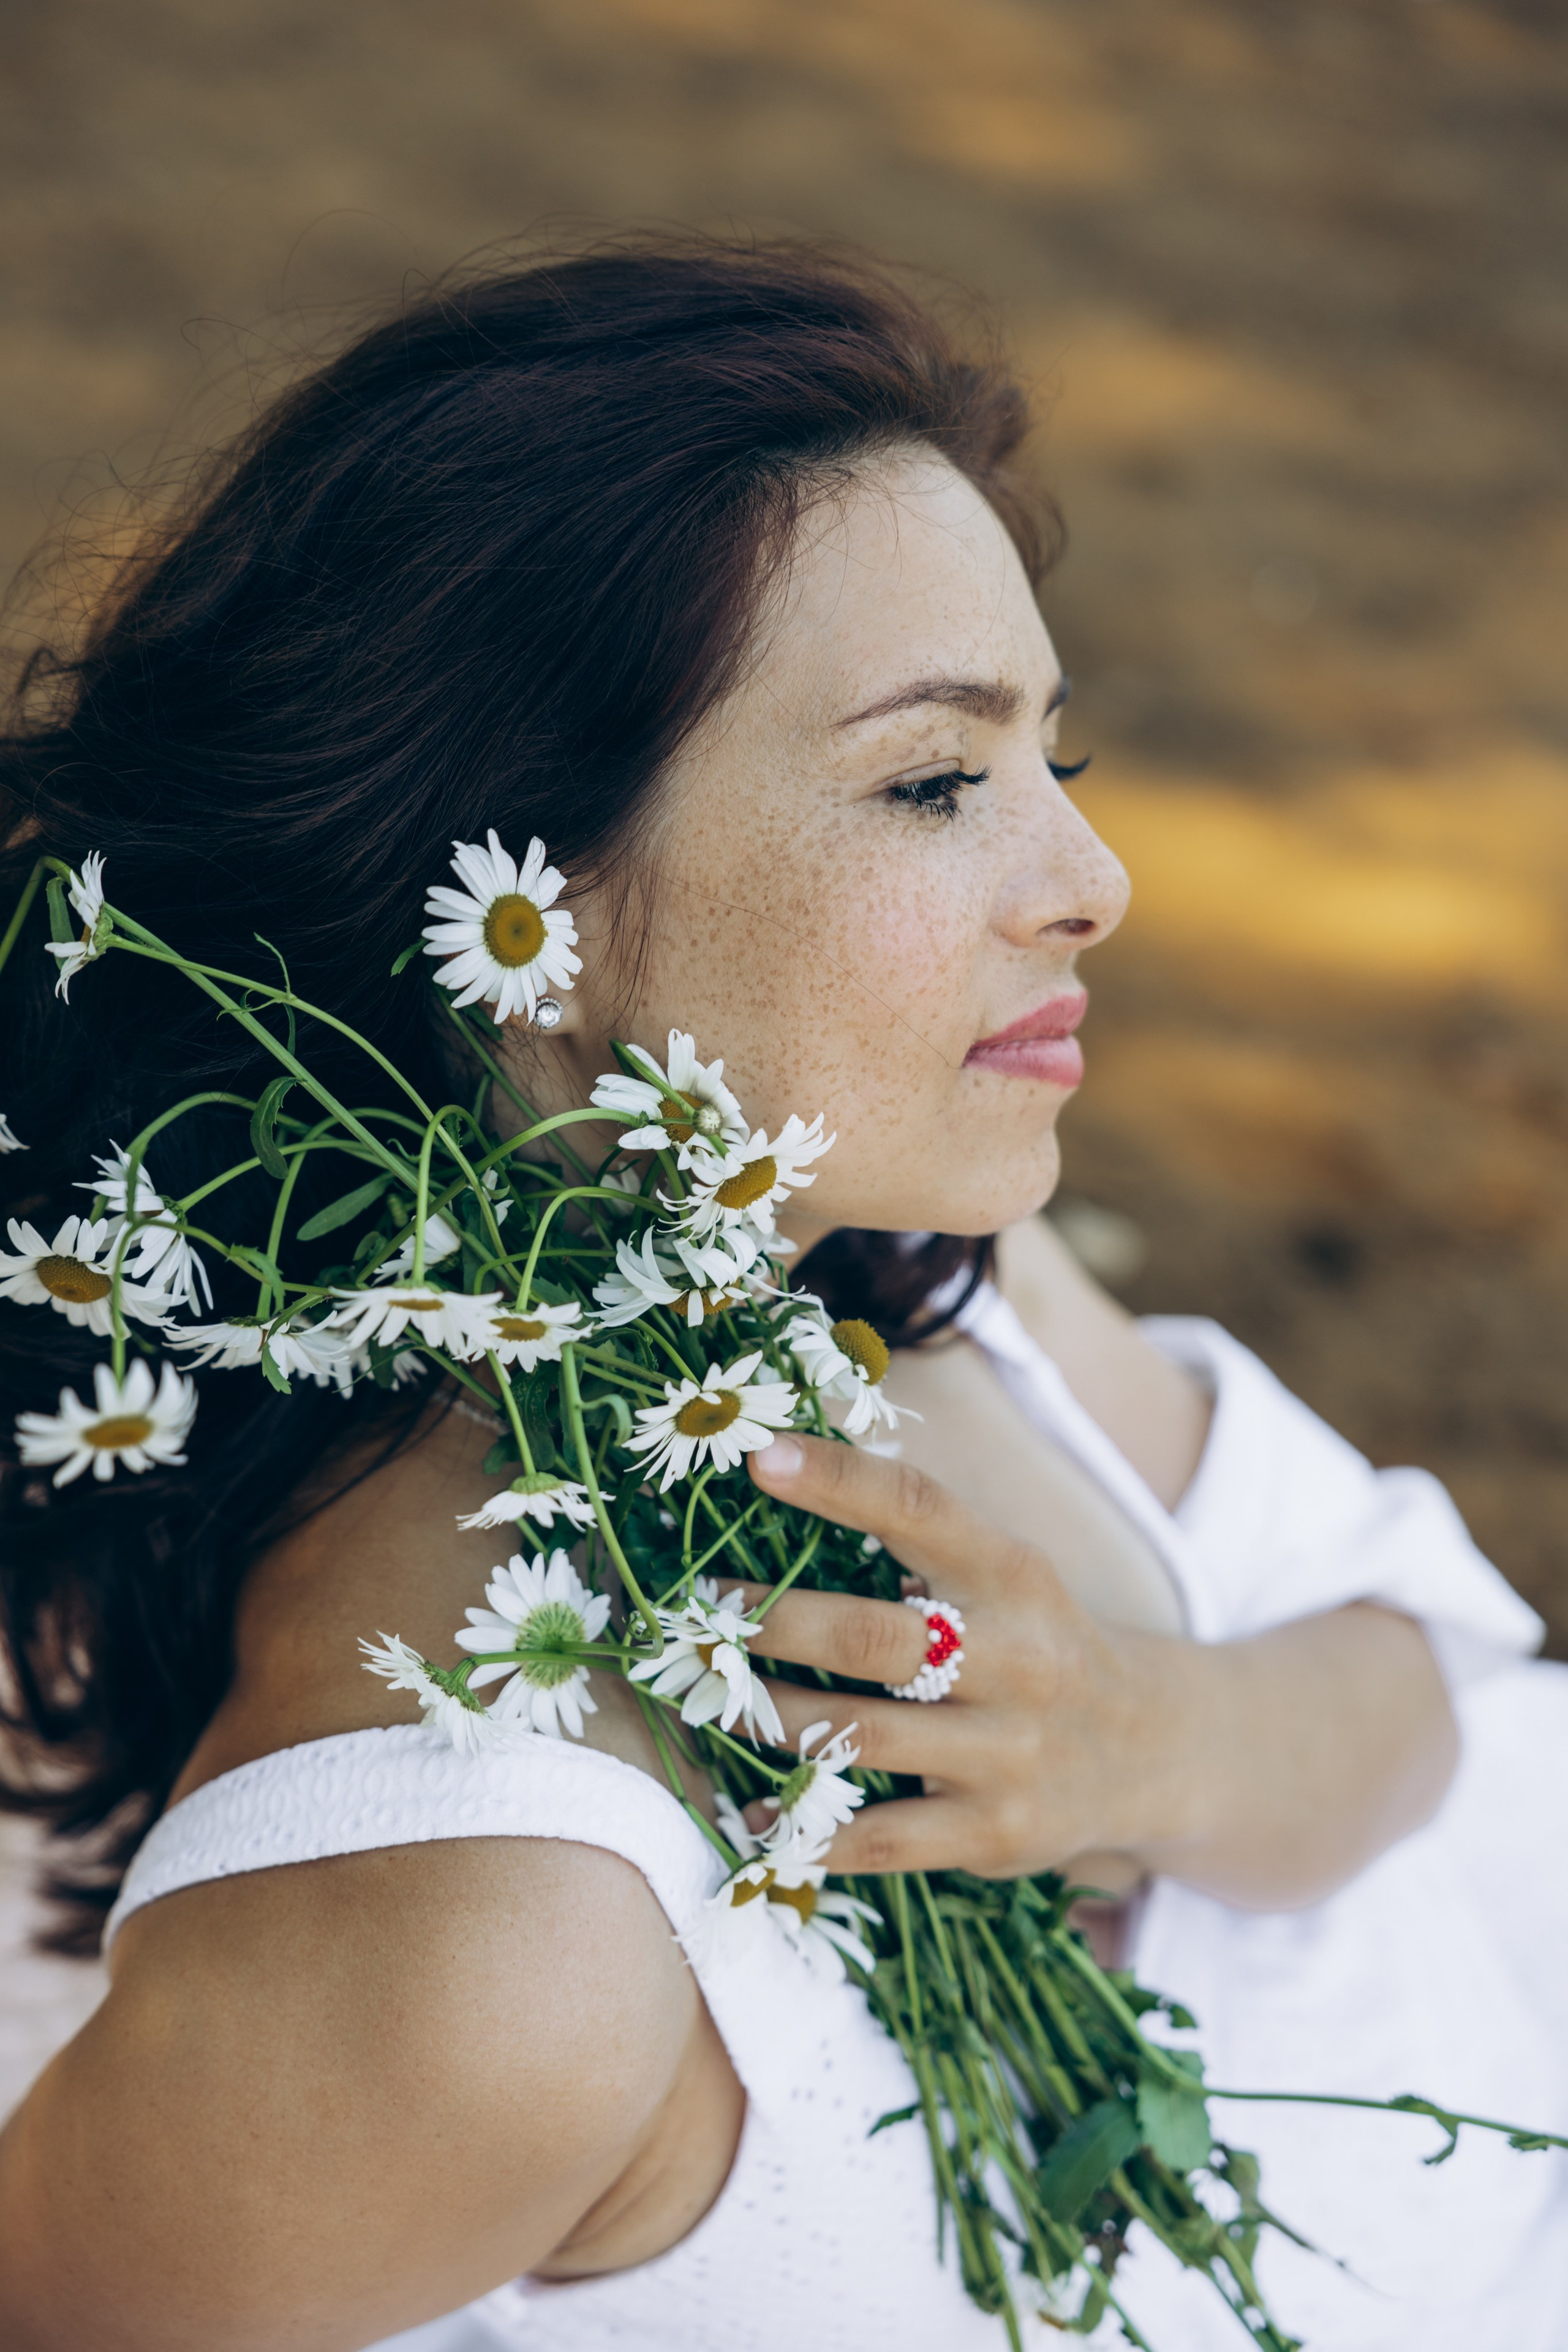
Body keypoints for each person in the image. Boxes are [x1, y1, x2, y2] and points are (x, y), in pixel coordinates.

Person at [0, 239, 1564, 2352]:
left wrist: (1147, 1743)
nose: (1094, 885)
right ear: (516, 899)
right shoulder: (489, 1918)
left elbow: (1439, 1690)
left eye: (1053, 768)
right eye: (938, 781)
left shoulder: (921, 1276)